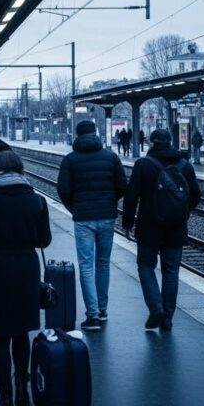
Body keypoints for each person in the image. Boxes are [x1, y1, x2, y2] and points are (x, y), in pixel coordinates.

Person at [0, 151, 51, 406]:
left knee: (0, 335)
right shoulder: (36, 200)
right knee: (21, 332)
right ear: (21, 170)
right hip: (26, 268)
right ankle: (22, 388)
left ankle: (4, 393)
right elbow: (44, 240)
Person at [121, 129, 201, 331]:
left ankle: (156, 307)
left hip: (148, 226)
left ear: (151, 143)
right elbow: (196, 197)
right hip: (176, 227)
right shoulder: (185, 165)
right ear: (170, 142)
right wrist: (181, 213)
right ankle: (168, 318)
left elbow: (131, 197)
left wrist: (127, 224)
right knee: (171, 270)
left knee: (146, 266)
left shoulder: (143, 165)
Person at [57, 120, 127, 331]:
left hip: (84, 219)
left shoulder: (70, 160)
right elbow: (122, 186)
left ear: (77, 136)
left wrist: (75, 208)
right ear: (95, 133)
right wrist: (110, 202)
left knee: (86, 266)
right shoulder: (111, 157)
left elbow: (63, 190)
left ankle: (93, 316)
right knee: (103, 264)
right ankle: (102, 310)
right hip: (107, 217)